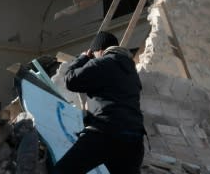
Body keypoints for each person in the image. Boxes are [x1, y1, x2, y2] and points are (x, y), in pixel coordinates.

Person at [53, 31, 145, 174]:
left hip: (106, 133)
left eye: (94, 54)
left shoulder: (103, 62)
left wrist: (83, 58)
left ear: (100, 50)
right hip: (134, 139)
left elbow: (71, 80)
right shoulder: (131, 71)